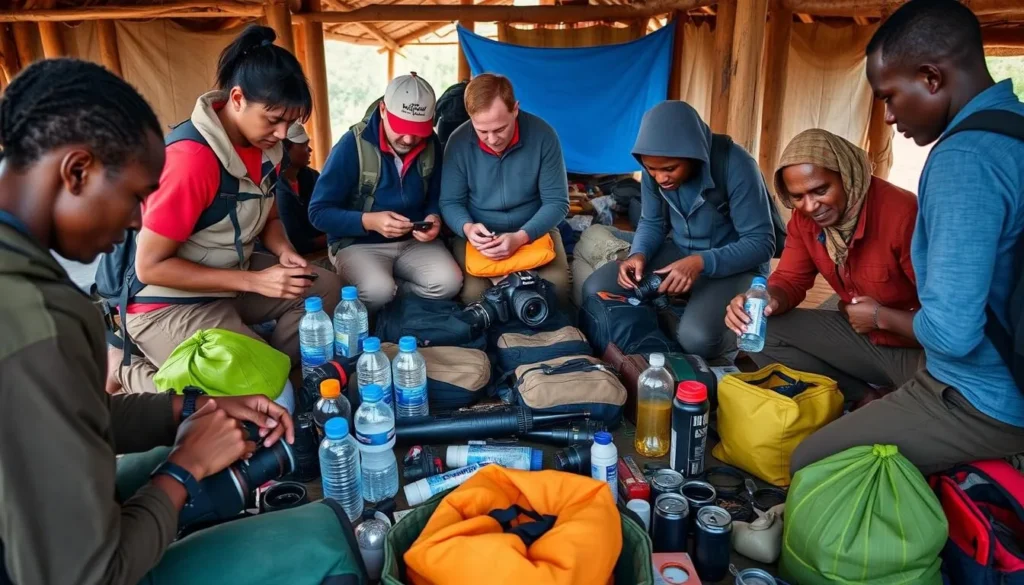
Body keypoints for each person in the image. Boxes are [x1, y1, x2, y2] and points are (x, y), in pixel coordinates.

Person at [0, 57, 363, 585]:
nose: (136, 221)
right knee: (323, 544)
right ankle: (133, 366)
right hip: (69, 563)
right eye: (134, 198)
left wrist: (190, 407)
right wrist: (183, 469)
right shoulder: (41, 322)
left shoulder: (33, 291)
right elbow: (92, 573)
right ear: (76, 171)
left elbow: (78, 416)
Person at [791, 0, 1024, 475]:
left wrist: (879, 314)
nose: (891, 117)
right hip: (994, 369)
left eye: (890, 97)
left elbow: (952, 335)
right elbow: (792, 275)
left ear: (931, 78)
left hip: (980, 393)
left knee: (810, 461)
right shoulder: (1012, 133)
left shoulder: (964, 161)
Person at [107, 25, 342, 395]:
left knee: (325, 288)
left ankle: (261, 368)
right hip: (166, 302)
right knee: (248, 392)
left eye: (291, 122)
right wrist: (255, 282)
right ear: (236, 99)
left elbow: (271, 217)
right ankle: (127, 368)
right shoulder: (191, 160)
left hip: (232, 276)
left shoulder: (268, 149)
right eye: (273, 118)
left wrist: (284, 253)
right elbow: (150, 266)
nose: (283, 133)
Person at [724, 129, 922, 404]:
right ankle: (863, 398)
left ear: (846, 174)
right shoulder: (805, 220)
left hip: (922, 349)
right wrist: (765, 301)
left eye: (821, 190)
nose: (810, 206)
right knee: (759, 330)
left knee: (949, 413)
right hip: (866, 338)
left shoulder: (903, 214)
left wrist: (880, 317)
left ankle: (901, 401)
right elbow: (790, 280)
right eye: (797, 196)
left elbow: (949, 323)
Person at [581, 100, 776, 358]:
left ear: (694, 154)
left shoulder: (736, 164)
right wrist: (638, 254)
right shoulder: (653, 167)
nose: (661, 178)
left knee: (698, 339)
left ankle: (687, 320)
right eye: (652, 170)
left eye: (670, 169)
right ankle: (666, 320)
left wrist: (700, 263)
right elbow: (652, 222)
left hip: (734, 265)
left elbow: (762, 244)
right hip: (682, 252)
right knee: (596, 288)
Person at [309, 72, 461, 311]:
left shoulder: (431, 144)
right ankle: (380, 292)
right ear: (382, 110)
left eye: (418, 130)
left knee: (448, 283)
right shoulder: (352, 145)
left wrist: (434, 218)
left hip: (413, 242)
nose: (409, 138)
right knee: (376, 291)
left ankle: (392, 294)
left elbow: (435, 196)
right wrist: (369, 221)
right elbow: (318, 213)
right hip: (358, 243)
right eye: (401, 127)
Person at [440, 73, 571, 306]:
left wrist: (521, 237)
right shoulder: (458, 141)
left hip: (533, 229)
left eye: (500, 128)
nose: (492, 139)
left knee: (556, 288)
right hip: (480, 236)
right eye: (482, 131)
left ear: (515, 109)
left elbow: (557, 202)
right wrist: (467, 228)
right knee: (474, 295)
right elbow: (450, 202)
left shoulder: (544, 135)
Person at [276, 122, 326, 255]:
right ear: (285, 150)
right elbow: (297, 243)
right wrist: (336, 237)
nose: (310, 150)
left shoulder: (312, 177)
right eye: (304, 145)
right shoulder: (277, 189)